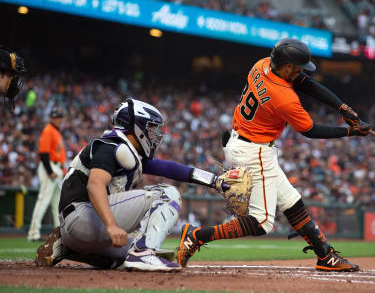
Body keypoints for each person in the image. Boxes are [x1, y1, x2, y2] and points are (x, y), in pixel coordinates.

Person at [177, 38, 371, 272]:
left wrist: (342, 108)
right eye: (298, 68)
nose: (301, 72)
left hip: (245, 143)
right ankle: (197, 236)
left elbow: (306, 83)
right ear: (287, 66)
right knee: (261, 222)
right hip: (254, 151)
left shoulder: (263, 64)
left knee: (291, 202)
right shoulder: (283, 97)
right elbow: (310, 130)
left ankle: (325, 256)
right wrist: (349, 132)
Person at [34, 98, 230, 271]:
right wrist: (111, 225)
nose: (154, 134)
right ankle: (143, 253)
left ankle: (68, 248)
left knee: (128, 257)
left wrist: (214, 181)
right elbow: (95, 185)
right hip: (83, 216)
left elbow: (170, 169)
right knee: (167, 194)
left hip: (79, 228)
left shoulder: (124, 149)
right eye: (151, 128)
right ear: (136, 125)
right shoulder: (111, 145)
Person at [27, 107, 66, 241]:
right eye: (56, 117)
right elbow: (43, 153)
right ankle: (33, 233)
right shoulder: (48, 130)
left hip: (57, 168)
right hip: (49, 167)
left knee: (57, 204)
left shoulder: (56, 132)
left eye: (60, 117)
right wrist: (50, 171)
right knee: (43, 200)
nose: (59, 119)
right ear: (51, 118)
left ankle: (58, 233)